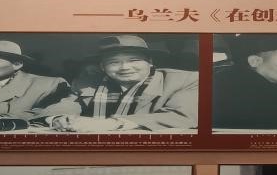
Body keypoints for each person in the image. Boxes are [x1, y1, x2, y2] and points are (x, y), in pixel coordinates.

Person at [49, 35, 199, 132]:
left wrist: (111, 123)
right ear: (102, 67)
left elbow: (182, 116)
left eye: (134, 60)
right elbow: (67, 104)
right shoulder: (88, 82)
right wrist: (59, 118)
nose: (124, 67)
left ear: (150, 62)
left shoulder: (185, 80)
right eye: (114, 62)